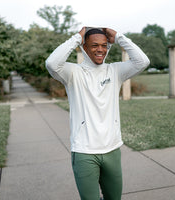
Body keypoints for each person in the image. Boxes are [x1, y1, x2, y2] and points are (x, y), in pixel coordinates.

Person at [46, 26, 150, 200]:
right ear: (84, 47)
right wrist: (76, 38)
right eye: (94, 45)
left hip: (112, 149)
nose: (100, 49)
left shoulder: (115, 71)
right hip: (84, 152)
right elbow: (51, 63)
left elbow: (143, 61)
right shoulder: (72, 73)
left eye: (104, 45)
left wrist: (118, 37)